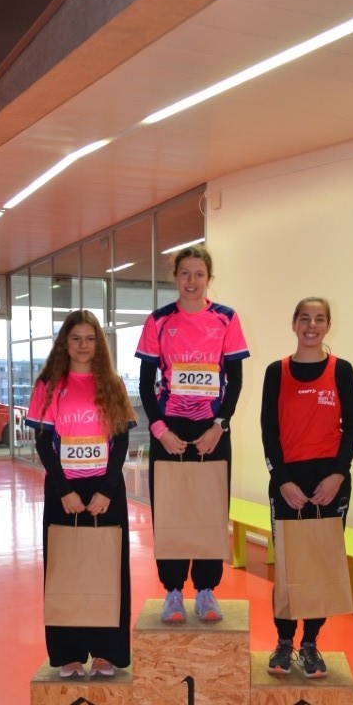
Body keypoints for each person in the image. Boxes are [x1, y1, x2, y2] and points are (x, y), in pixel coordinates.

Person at [136, 244, 249, 623]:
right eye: (184, 273)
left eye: (199, 274)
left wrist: (220, 425)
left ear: (209, 278)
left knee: (209, 509)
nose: (191, 280)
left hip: (212, 431)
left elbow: (235, 381)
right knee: (170, 509)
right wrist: (160, 431)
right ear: (175, 277)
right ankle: (172, 591)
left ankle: (205, 590)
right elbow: (145, 383)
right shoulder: (158, 321)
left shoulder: (226, 319)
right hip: (168, 432)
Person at [26, 309, 136, 678]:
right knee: (66, 570)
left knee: (108, 570)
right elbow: (44, 444)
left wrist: (106, 490)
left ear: (98, 344)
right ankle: (68, 652)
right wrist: (64, 491)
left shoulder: (112, 384)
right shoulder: (48, 385)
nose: (83, 346)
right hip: (64, 492)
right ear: (65, 343)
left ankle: (107, 651)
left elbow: (121, 442)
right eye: (76, 339)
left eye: (90, 339)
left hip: (106, 492)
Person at [260, 296, 353, 678]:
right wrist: (281, 480)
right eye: (305, 318)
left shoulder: (342, 370)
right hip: (288, 483)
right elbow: (269, 432)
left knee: (319, 564)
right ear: (294, 324)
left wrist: (337, 475)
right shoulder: (276, 371)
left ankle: (310, 644)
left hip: (331, 482)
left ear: (328, 326)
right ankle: (284, 642)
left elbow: (352, 429)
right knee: (288, 565)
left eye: (319, 319)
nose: (311, 326)